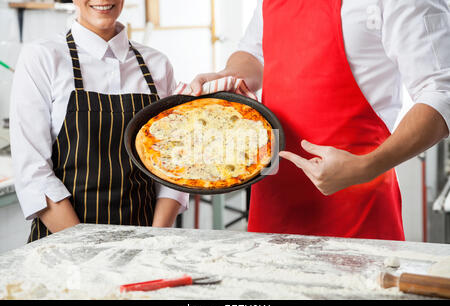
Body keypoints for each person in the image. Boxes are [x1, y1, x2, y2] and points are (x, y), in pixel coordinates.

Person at [181, 0, 450, 240]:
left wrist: (366, 167)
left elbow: (441, 92)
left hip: (355, 201)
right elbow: (252, 53)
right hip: (274, 200)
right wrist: (229, 74)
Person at [10, 0, 189, 242]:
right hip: (64, 246)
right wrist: (91, 253)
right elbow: (33, 174)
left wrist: (153, 241)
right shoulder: (42, 57)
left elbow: (173, 169)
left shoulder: (157, 64)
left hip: (144, 245)